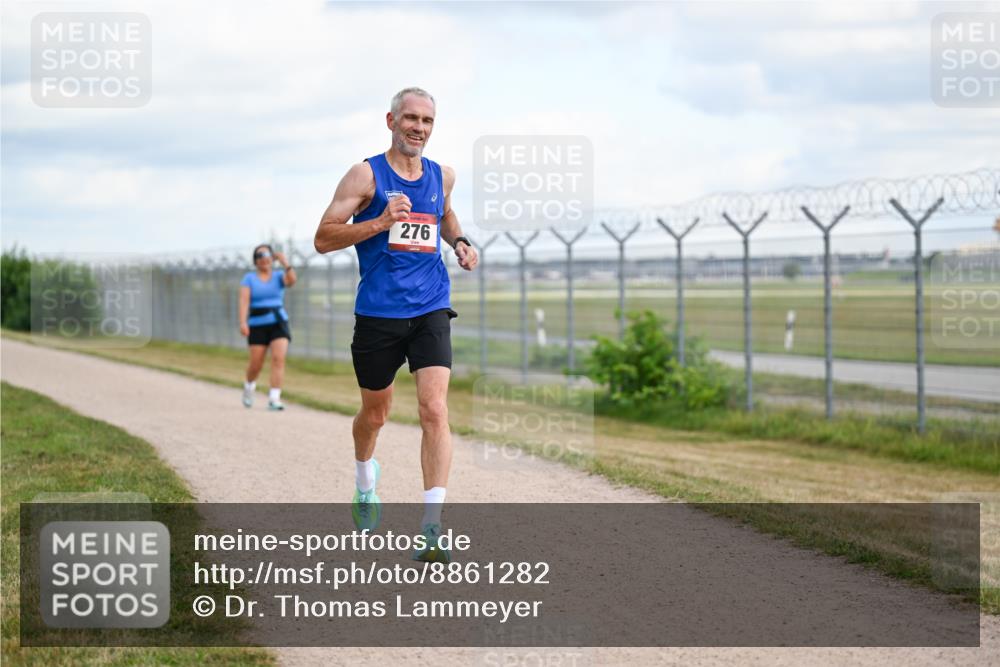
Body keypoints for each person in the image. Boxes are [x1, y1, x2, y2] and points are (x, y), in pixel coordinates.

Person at [313, 87, 478, 563]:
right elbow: (324, 238)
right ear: (391, 120)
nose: (418, 128)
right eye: (410, 118)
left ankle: (432, 526)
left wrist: (461, 241)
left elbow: (444, 216)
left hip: (431, 307)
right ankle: (366, 480)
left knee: (434, 409)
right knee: (375, 415)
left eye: (427, 121)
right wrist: (380, 221)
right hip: (378, 315)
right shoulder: (365, 174)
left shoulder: (442, 175)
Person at [238, 244, 297, 410]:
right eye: (259, 255)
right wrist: (243, 322)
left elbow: (292, 280)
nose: (264, 258)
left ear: (272, 257)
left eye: (267, 254)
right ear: (255, 260)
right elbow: (244, 301)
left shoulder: (279, 276)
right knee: (256, 364)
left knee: (278, 358)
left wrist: (285, 262)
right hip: (257, 324)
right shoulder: (249, 279)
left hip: (278, 322)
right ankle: (249, 387)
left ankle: (274, 398)